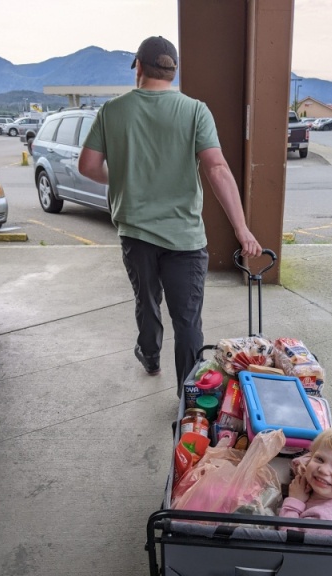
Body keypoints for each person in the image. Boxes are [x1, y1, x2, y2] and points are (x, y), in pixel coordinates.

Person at [78, 36, 262, 395]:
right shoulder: (195, 110)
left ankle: (150, 356)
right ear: (173, 71)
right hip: (185, 238)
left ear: (140, 68)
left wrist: (124, 177)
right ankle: (188, 396)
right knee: (187, 318)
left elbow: (88, 166)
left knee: (146, 301)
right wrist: (242, 230)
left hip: (135, 233)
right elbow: (218, 169)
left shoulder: (112, 111)